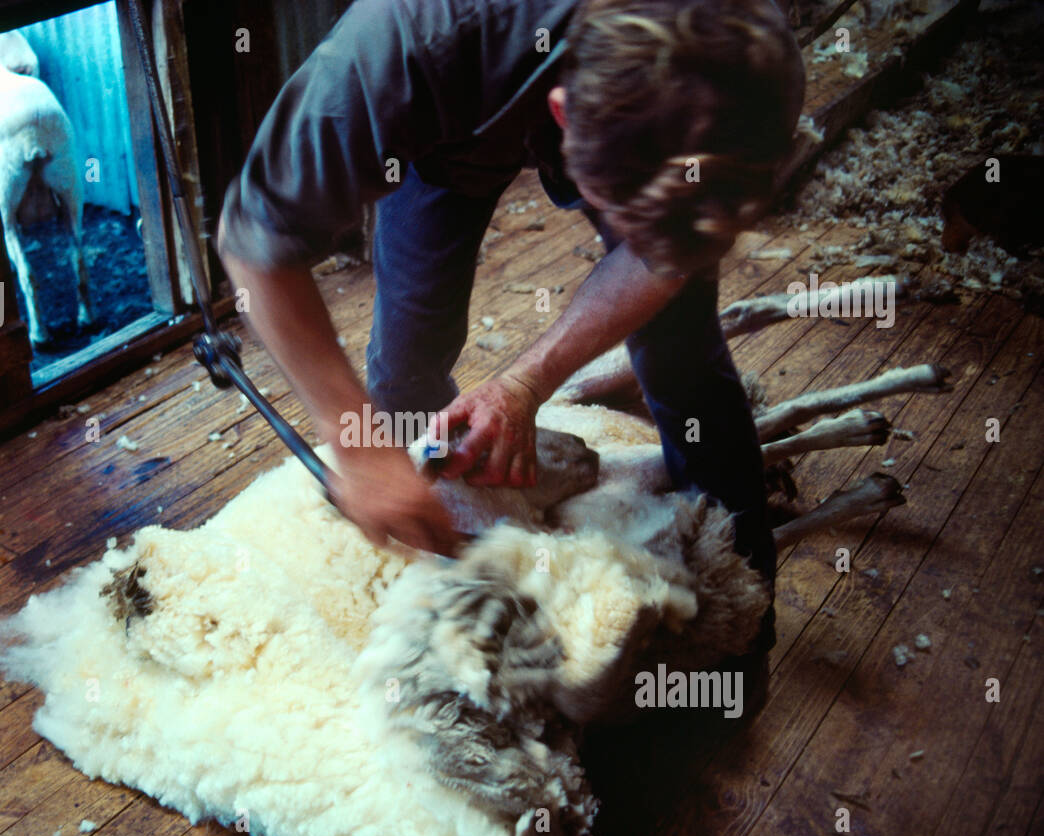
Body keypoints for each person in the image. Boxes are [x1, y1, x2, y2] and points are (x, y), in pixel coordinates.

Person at [217, 0, 806, 680]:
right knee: (406, 364)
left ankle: (735, 634)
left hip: (548, 83)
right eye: (632, 216)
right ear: (564, 117)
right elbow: (254, 243)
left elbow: (664, 259)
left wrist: (527, 381)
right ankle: (429, 605)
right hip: (449, 121)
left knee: (682, 354)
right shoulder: (404, 44)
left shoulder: (748, 64)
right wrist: (358, 441)